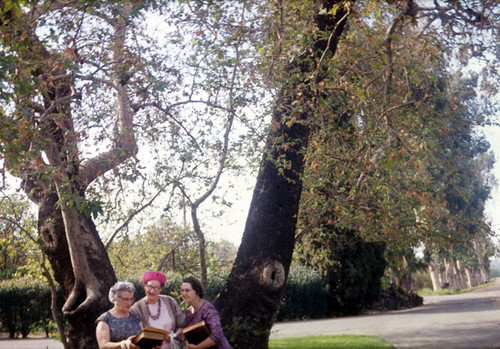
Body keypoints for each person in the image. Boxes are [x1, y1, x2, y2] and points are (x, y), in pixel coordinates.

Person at [131, 271, 186, 349]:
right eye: (150, 287)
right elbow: (137, 335)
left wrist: (174, 335)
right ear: (144, 286)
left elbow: (182, 326)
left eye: (157, 288)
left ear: (161, 289)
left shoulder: (170, 301)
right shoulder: (136, 308)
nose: (152, 291)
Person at [181, 276, 232, 349]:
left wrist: (198, 347)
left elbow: (217, 335)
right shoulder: (188, 312)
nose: (183, 293)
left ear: (197, 292)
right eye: (182, 290)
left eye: (187, 290)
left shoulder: (208, 309)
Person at [96, 281, 142, 349]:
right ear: (115, 299)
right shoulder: (105, 319)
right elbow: (103, 346)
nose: (129, 302)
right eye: (126, 299)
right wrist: (123, 344)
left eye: (131, 299)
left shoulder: (136, 318)